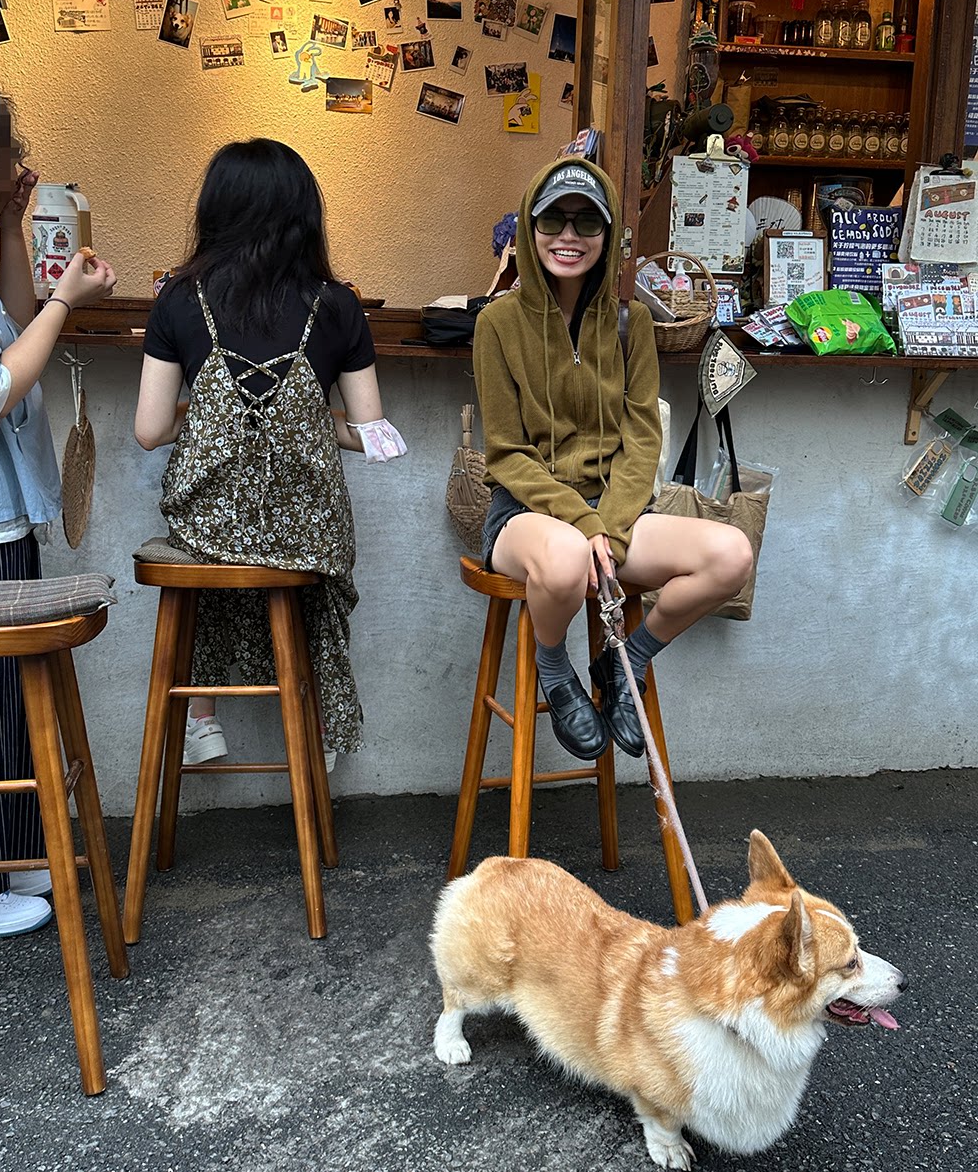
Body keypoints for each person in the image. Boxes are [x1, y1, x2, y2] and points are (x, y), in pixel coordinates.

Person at [135, 138, 404, 770]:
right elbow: (371, 432)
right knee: (298, 571)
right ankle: (315, 720)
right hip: (309, 530)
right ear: (304, 214)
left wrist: (213, 415)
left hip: (209, 523)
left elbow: (149, 430)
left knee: (218, 557)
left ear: (215, 209)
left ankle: (201, 717)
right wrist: (309, 421)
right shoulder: (339, 305)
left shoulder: (179, 298)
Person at [473, 158, 752, 761]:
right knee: (568, 556)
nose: (568, 236)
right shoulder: (497, 324)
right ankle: (554, 666)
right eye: (553, 219)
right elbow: (506, 453)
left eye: (587, 221)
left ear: (608, 235)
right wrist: (584, 524)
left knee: (732, 554)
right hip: (525, 516)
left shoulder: (633, 323)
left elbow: (641, 438)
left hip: (616, 514)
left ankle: (628, 662)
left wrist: (610, 525)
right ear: (530, 225)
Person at [0, 88, 116, 937]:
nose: (18, 159)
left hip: (1, 513)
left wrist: (12, 229)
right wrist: (68, 299)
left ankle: (6, 854)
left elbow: (10, 329)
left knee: (1, 700)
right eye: (5, 149)